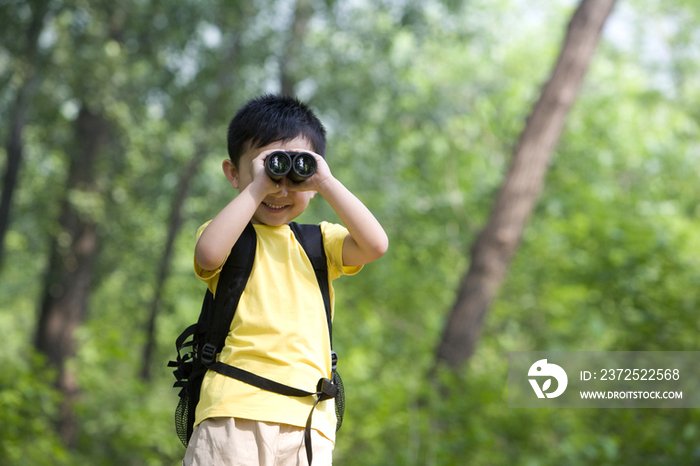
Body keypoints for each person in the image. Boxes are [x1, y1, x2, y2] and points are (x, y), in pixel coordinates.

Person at [183, 94, 389, 466]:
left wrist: (325, 182)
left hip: (309, 421)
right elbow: (209, 255)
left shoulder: (320, 243)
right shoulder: (228, 236)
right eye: (268, 169)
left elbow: (375, 244)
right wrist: (258, 186)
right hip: (234, 412)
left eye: (297, 174)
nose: (281, 189)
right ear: (234, 174)